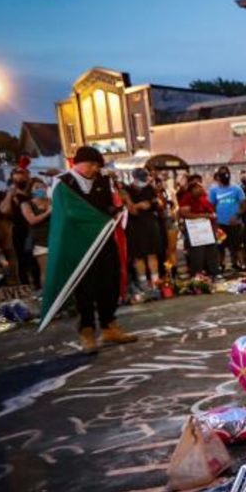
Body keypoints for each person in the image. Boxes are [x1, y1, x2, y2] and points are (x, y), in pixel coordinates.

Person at [54, 146, 137, 352]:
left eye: (97, 165)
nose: (94, 169)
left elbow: (110, 205)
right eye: (91, 164)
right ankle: (87, 330)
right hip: (80, 244)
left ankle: (109, 325)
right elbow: (64, 213)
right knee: (85, 287)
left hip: (104, 240)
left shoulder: (104, 181)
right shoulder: (63, 182)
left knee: (108, 283)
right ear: (77, 162)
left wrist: (114, 209)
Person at [124, 168, 163, 291]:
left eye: (145, 178)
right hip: (135, 226)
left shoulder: (150, 188)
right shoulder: (127, 190)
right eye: (141, 179)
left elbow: (158, 204)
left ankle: (156, 282)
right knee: (138, 256)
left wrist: (158, 202)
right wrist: (139, 205)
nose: (144, 181)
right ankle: (143, 282)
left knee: (152, 254)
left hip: (151, 223)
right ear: (134, 178)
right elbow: (129, 210)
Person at [178, 174, 220, 277]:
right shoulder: (187, 198)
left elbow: (211, 209)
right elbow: (185, 214)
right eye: (198, 187)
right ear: (192, 189)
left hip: (208, 228)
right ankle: (197, 273)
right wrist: (202, 215)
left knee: (212, 250)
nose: (201, 189)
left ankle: (213, 272)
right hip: (195, 229)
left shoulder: (204, 196)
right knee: (197, 253)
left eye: (201, 187)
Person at [209, 166, 246, 271]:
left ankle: (241, 264)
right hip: (220, 224)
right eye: (222, 174)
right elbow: (211, 207)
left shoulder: (237, 188)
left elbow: (244, 205)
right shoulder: (214, 190)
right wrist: (214, 222)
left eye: (226, 174)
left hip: (235, 223)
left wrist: (237, 216)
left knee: (237, 245)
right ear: (218, 177)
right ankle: (221, 265)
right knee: (220, 246)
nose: (225, 176)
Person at [20, 177, 52, 289]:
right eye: (36, 187)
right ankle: (47, 297)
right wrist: (48, 212)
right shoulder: (26, 204)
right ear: (31, 190)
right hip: (40, 241)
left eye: (42, 186)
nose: (40, 189)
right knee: (46, 271)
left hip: (55, 239)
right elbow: (31, 220)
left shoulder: (51, 200)